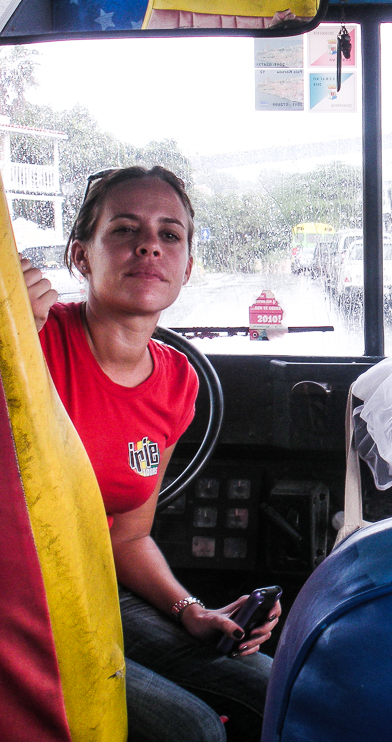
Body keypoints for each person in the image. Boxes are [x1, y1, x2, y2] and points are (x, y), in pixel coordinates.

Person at [20, 166, 280, 742]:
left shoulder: (178, 380)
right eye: (124, 230)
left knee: (274, 688)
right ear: (81, 256)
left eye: (169, 234)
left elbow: (128, 536)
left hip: (97, 589)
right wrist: (10, 335)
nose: (149, 246)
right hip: (20, 600)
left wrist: (191, 610)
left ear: (186, 266)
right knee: (191, 730)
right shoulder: (27, 341)